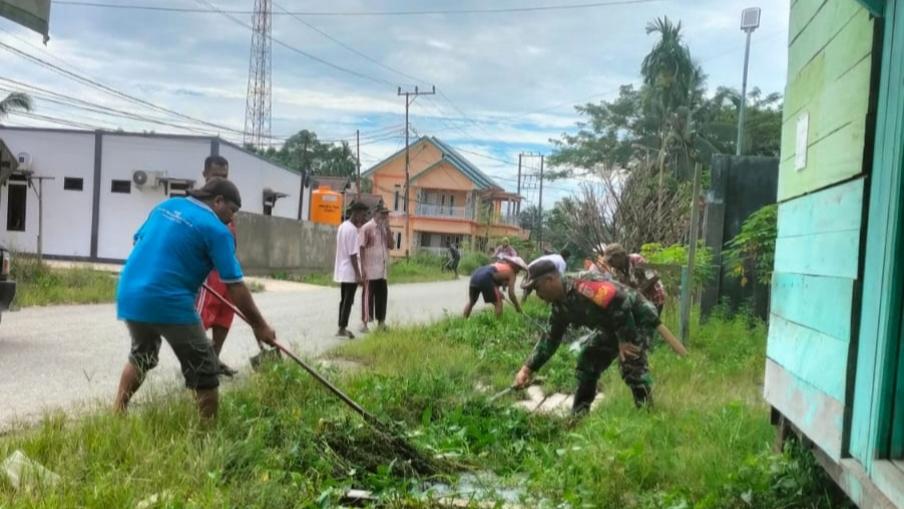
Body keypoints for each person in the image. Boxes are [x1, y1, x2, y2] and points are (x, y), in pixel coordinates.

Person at [114, 178, 276, 420]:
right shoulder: (217, 230)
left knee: (142, 355)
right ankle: (205, 441)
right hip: (169, 300)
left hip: (130, 292)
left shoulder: (167, 206)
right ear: (218, 200)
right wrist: (260, 325)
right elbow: (235, 285)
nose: (231, 218)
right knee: (206, 373)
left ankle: (117, 412)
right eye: (231, 210)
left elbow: (138, 240)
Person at [513, 259, 661, 413]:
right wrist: (527, 369)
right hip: (610, 324)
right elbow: (550, 339)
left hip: (637, 317)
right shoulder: (559, 306)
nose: (538, 294)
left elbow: (620, 300)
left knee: (630, 361)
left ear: (550, 280)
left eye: (537, 288)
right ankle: (579, 415)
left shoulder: (582, 285)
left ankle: (647, 412)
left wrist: (624, 340)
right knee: (588, 360)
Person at [193, 155, 240, 377]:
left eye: (224, 176)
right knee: (202, 318)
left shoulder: (227, 202)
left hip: (225, 273)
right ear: (204, 175)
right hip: (206, 274)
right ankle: (196, 364)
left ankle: (214, 359)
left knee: (224, 316)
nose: (220, 180)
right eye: (215, 176)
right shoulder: (199, 204)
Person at [334, 201, 369, 339]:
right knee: (348, 300)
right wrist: (359, 275)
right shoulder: (353, 230)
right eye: (362, 214)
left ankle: (341, 327)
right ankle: (342, 328)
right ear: (356, 213)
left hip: (342, 270)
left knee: (344, 300)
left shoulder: (342, 227)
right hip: (350, 271)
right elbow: (353, 255)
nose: (363, 217)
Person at [603, 243, 667, 315]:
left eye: (611, 260)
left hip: (654, 297)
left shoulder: (636, 259)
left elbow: (654, 276)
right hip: (640, 302)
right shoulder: (616, 271)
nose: (610, 264)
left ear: (619, 256)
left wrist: (639, 291)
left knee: (651, 323)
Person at [358, 204, 393, 332]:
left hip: (382, 270)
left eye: (386, 214)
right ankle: (365, 323)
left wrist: (388, 228)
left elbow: (391, 245)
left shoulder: (384, 229)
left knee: (382, 297)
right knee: (368, 297)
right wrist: (362, 269)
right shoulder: (367, 228)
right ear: (375, 214)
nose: (385, 216)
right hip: (370, 269)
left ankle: (381, 323)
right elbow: (361, 248)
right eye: (382, 213)